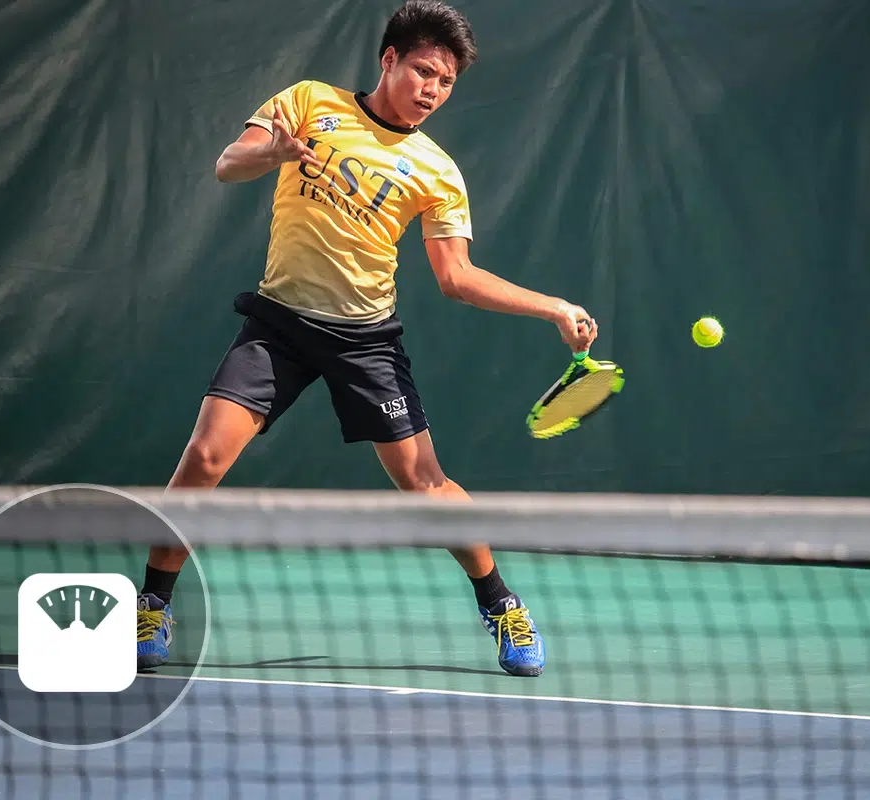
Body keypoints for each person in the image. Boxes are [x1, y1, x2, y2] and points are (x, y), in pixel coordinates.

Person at [135, 0, 598, 678]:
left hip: (364, 340)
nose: (432, 90)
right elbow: (228, 164)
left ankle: (500, 603)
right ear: (390, 60)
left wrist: (553, 307)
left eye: (445, 81)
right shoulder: (308, 102)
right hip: (279, 326)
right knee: (203, 457)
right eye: (423, 72)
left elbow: (457, 277)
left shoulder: (436, 171)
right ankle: (153, 603)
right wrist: (274, 150)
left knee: (424, 481)